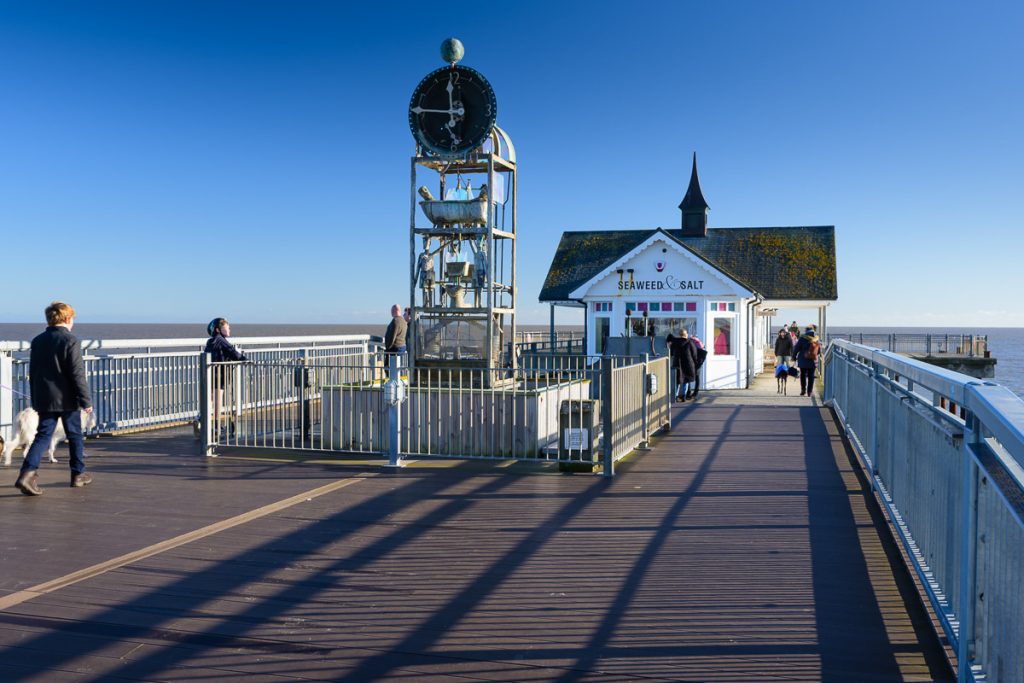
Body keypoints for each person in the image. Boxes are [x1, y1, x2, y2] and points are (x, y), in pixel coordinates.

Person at [14, 301, 93, 496]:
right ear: (67, 319)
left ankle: (27, 473)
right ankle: (78, 474)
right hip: (67, 398)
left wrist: (35, 397)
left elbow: (33, 371)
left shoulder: (38, 340)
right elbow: (77, 373)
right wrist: (86, 401)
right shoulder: (71, 340)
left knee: (42, 435)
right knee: (74, 435)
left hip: (44, 397)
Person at [204, 318, 247, 444]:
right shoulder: (221, 340)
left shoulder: (210, 341)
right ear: (218, 329)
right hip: (220, 376)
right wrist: (245, 359)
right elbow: (233, 352)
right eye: (227, 327)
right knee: (217, 402)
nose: (229, 329)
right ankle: (215, 426)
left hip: (211, 374)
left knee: (210, 400)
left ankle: (202, 419)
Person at [667, 329, 698, 402]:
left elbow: (671, 353)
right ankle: (683, 396)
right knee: (686, 381)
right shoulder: (690, 342)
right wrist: (695, 361)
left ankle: (675, 396)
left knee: (677, 381)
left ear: (680, 334)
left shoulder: (675, 342)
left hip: (677, 363)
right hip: (688, 364)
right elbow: (694, 353)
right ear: (685, 334)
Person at [792, 327, 821, 397]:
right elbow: (819, 350)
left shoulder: (802, 338)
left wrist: (794, 356)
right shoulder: (816, 339)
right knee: (811, 376)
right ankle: (810, 392)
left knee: (803, 375)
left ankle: (803, 390)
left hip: (803, 359)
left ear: (806, 331)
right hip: (812, 360)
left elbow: (796, 348)